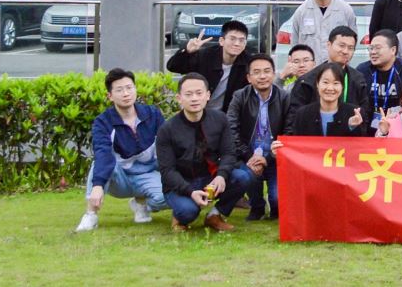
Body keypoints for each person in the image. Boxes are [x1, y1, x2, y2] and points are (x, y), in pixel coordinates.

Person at [156, 73, 247, 232]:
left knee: (243, 177)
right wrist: (190, 191)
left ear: (208, 95)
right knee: (188, 212)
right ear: (179, 98)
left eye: (199, 93)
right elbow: (167, 171)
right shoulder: (167, 129)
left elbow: (229, 153)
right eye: (188, 94)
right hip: (181, 182)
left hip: (210, 177)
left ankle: (214, 215)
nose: (194, 98)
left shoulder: (220, 119)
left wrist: (221, 175)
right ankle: (179, 216)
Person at [78, 68, 165, 231]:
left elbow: (167, 146)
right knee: (98, 164)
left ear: (135, 89)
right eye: (119, 90)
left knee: (168, 197)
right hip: (120, 178)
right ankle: (90, 214)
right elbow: (102, 153)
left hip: (147, 174)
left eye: (129, 88)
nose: (126, 93)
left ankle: (141, 204)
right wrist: (98, 185)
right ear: (110, 96)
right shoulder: (103, 122)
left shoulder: (152, 114)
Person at [226, 51, 288, 220]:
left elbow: (289, 131)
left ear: (273, 74)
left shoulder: (284, 98)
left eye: (267, 71)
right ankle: (257, 206)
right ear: (249, 77)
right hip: (249, 153)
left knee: (277, 200)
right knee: (247, 176)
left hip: (275, 155)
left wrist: (268, 158)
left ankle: (274, 206)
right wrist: (249, 156)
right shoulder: (240, 96)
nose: (262, 76)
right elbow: (231, 129)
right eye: (256, 72)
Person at [165, 19, 255, 114]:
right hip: (199, 113)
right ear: (221, 41)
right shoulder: (206, 56)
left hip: (227, 116)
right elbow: (173, 67)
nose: (237, 44)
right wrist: (187, 51)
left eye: (241, 40)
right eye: (232, 39)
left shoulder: (248, 63)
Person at [286, 61, 369, 136]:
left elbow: (360, 144)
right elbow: (296, 143)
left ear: (342, 87)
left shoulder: (354, 113)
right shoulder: (303, 114)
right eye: (325, 82)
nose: (330, 88)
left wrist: (352, 127)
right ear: (317, 84)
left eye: (336, 83)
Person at [287, 27, 360, 113]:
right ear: (329, 45)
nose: (345, 51)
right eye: (341, 46)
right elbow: (294, 116)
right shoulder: (306, 82)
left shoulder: (358, 79)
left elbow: (363, 113)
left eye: (350, 48)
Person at [353, 31, 402, 127]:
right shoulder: (362, 70)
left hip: (398, 127)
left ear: (393, 50)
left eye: (378, 48)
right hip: (367, 126)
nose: (373, 52)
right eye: (371, 48)